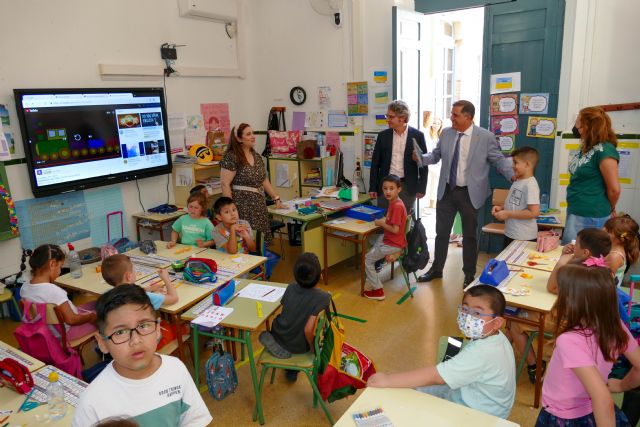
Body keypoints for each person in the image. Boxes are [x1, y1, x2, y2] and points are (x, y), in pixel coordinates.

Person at [367, 285, 516, 419]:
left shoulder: (483, 352)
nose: (468, 317)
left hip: (479, 416)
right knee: (414, 389)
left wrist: (387, 379)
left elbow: (436, 376)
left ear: (497, 322)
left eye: (477, 313)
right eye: (465, 309)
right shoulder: (495, 336)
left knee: (411, 402)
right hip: (485, 402)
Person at [72, 285, 212, 426]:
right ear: (102, 343)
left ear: (158, 329)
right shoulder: (92, 404)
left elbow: (195, 421)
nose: (136, 340)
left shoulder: (176, 368)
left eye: (144, 325)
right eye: (120, 332)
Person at [416, 100, 514, 287]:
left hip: (470, 194)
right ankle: (437, 269)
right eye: (452, 114)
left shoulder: (485, 137)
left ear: (468, 117)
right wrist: (421, 159)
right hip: (447, 192)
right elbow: (436, 155)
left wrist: (514, 176)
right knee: (441, 234)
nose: (451, 118)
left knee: (469, 236)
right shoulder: (446, 133)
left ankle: (469, 274)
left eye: (455, 115)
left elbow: (498, 160)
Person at [535, 263, 640, 426]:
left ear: (574, 301)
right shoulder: (615, 325)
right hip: (589, 412)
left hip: (564, 417)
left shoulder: (569, 340)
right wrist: (620, 385)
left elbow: (602, 398)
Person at [509, 228, 611, 383]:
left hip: (565, 321)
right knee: (520, 311)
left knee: (513, 321)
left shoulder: (577, 273)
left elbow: (552, 287)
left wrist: (562, 260)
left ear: (585, 253)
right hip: (584, 323)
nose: (572, 245)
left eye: (576, 244)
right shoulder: (602, 270)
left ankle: (534, 366)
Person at [258, 252, 330, 382]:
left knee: (280, 321)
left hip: (280, 333)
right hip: (299, 345)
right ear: (320, 275)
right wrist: (313, 349)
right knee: (301, 338)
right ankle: (292, 368)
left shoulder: (290, 287)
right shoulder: (323, 297)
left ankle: (278, 344)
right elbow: (308, 330)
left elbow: (288, 309)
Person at [562, 106, 620, 244]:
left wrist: (611, 208)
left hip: (591, 214)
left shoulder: (605, 150)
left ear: (588, 126)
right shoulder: (585, 147)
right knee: (570, 253)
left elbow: (614, 189)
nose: (576, 126)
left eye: (578, 122)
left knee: (581, 257)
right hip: (576, 209)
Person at [220, 123, 283, 244]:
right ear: (239, 139)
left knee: (260, 242)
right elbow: (225, 184)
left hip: (258, 206)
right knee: (246, 241)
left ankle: (261, 262)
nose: (253, 136)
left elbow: (263, 180)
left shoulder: (257, 156)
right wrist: (230, 211)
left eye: (253, 133)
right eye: (248, 134)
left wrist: (276, 198)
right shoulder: (232, 157)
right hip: (242, 206)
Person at [20, 244, 97, 341]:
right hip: (67, 333)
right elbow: (71, 320)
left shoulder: (25, 288)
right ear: (52, 264)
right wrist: (91, 317)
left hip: (48, 332)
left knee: (96, 304)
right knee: (105, 314)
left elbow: (42, 297)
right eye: (60, 266)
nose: (60, 271)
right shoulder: (55, 292)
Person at [368, 100, 428, 212]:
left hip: (407, 186)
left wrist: (422, 188)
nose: (387, 120)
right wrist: (372, 187)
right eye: (387, 116)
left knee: (404, 223)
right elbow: (375, 164)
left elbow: (423, 164)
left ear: (402, 118)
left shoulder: (418, 136)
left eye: (391, 117)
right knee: (384, 220)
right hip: (385, 186)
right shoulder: (383, 136)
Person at [363, 175, 407, 301]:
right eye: (385, 188)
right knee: (373, 240)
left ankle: (378, 290)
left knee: (367, 259)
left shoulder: (397, 206)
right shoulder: (394, 202)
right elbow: (392, 223)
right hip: (392, 240)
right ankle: (385, 259)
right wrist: (384, 220)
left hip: (393, 243)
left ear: (399, 189)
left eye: (391, 188)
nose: (388, 192)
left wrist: (382, 223)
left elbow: (395, 229)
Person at [491, 146, 540, 249]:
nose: (512, 166)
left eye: (515, 162)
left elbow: (534, 212)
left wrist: (507, 214)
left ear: (527, 164)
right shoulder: (518, 180)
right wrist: (502, 208)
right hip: (511, 233)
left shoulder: (530, 184)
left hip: (524, 237)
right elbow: (515, 202)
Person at [101, 254, 179, 309]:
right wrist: (166, 279)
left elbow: (131, 290)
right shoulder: (144, 297)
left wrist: (150, 288)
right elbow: (173, 298)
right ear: (129, 276)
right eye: (133, 270)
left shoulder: (107, 294)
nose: (135, 272)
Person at [604, 214, 640, 287]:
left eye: (608, 231)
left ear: (621, 238)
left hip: (606, 294)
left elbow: (604, 280)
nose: (603, 230)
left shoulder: (615, 256)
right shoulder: (613, 248)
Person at [424, 113, 443, 209]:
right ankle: (427, 204)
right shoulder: (427, 134)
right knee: (428, 183)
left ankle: (432, 204)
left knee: (434, 184)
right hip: (428, 163)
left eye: (438, 123)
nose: (436, 125)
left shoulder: (442, 136)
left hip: (437, 164)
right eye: (434, 123)